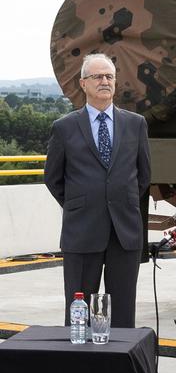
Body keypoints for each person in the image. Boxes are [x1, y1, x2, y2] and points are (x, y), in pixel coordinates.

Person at [44, 53, 150, 328]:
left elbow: (143, 176)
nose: (105, 81)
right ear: (83, 83)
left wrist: (117, 202)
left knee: (123, 315)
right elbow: (53, 178)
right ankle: (78, 367)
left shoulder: (135, 124)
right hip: (81, 232)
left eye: (109, 76)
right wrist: (81, 205)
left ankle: (120, 370)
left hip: (124, 233)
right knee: (78, 314)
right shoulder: (64, 127)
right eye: (98, 77)